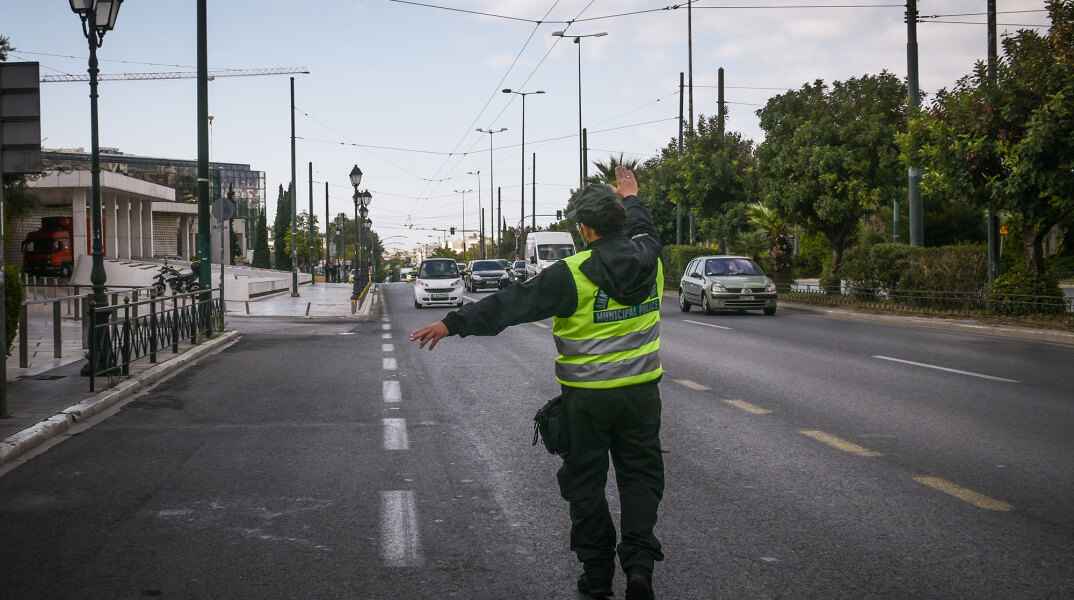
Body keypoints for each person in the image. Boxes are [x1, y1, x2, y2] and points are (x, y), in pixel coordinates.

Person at [411, 166, 664, 600]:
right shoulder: (650, 256)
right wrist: (631, 195)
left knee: (585, 483)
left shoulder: (572, 272)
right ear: (622, 221)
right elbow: (643, 227)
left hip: (587, 402)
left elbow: (511, 305)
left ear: (584, 229)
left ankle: (598, 574)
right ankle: (639, 568)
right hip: (642, 395)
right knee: (640, 478)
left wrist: (452, 324)